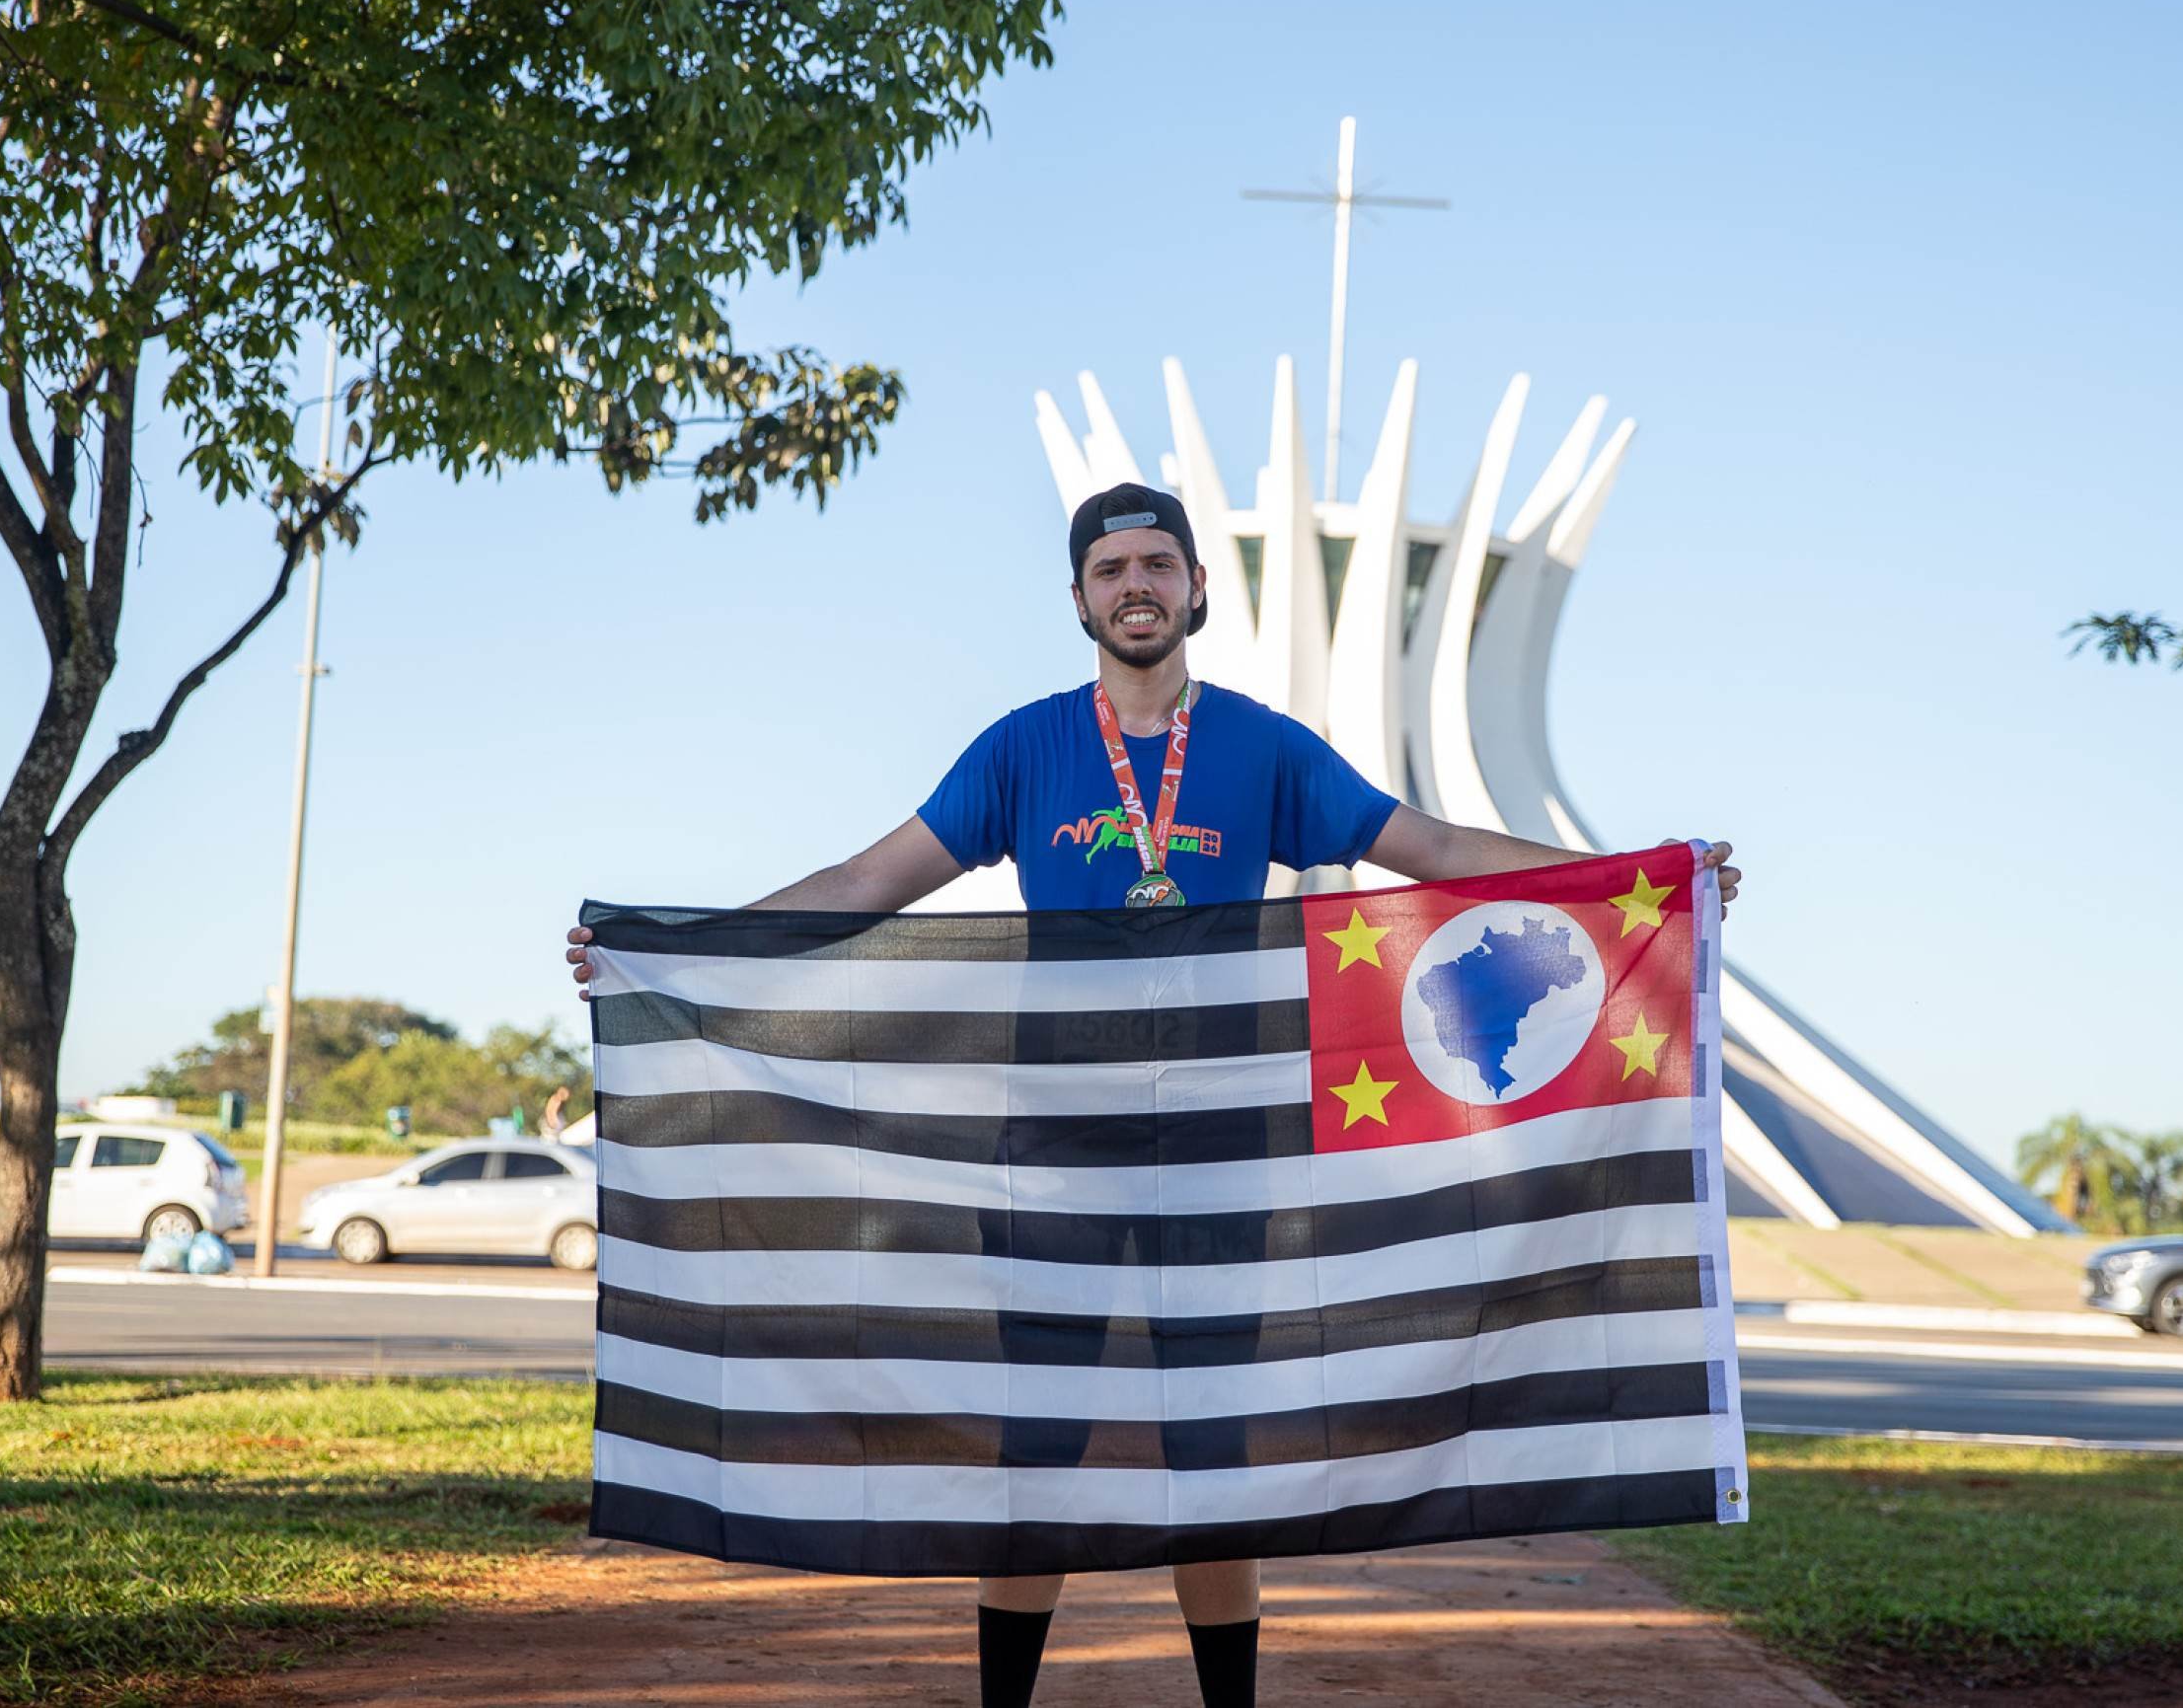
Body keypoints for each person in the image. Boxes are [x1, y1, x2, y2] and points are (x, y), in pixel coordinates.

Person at [566, 482, 1740, 1708]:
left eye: (1157, 565)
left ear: (1194, 589)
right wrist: (678, 949)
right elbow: (870, 879)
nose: (1135, 585)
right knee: (1042, 1445)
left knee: (1212, 1447)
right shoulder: (1022, 746)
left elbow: (1434, 851)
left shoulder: (1259, 744)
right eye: (1111, 567)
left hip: (1224, 1151)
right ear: (1077, 596)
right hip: (1050, 1152)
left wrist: (1649, 879)